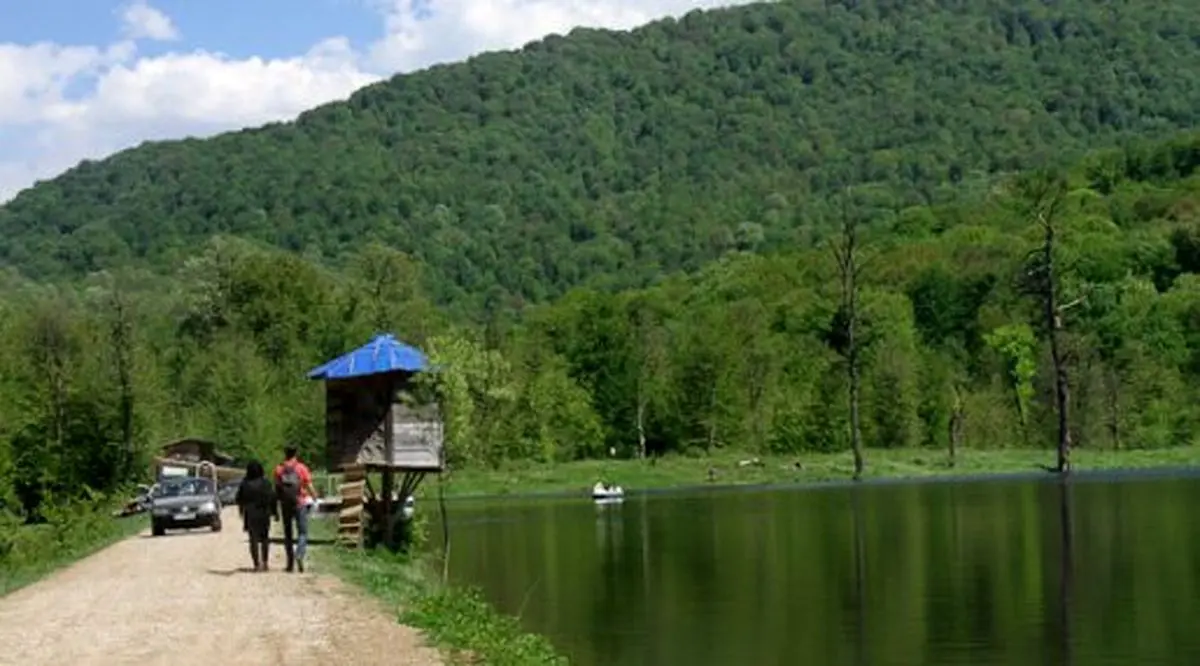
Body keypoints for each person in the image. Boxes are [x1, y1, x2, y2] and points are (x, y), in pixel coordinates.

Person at [274, 445, 317, 573]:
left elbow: (277, 488)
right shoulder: (301, 468)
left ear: (285, 453)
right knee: (302, 532)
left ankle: (290, 564)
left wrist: (277, 504)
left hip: (285, 504)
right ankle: (299, 554)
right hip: (299, 503)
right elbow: (309, 485)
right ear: (296, 454)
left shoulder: (279, 469)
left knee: (288, 534)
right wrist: (315, 497)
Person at [234, 461, 277, 572]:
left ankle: (256, 564)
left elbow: (239, 499)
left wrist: (241, 511)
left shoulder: (245, 483)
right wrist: (275, 512)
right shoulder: (265, 482)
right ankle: (265, 562)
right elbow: (272, 497)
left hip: (250, 513)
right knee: (265, 538)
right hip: (264, 513)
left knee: (253, 539)